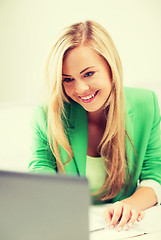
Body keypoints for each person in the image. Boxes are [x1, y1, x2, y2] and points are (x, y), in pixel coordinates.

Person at [28, 20, 161, 231]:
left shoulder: (147, 105)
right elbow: (40, 170)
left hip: (121, 229)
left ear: (111, 66)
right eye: (67, 79)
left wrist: (128, 205)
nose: (80, 88)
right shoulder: (47, 115)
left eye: (88, 74)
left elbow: (155, 176)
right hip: (69, 226)